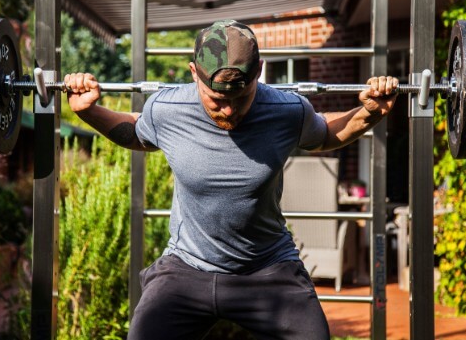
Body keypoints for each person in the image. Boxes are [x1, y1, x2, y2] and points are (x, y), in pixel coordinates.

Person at [64, 19, 398, 340]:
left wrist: (369, 112)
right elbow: (136, 134)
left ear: (260, 72)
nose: (229, 111)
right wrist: (88, 111)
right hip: (187, 267)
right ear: (194, 74)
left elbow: (324, 133)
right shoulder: (167, 109)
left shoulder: (286, 111)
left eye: (240, 98)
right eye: (218, 100)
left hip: (267, 268)